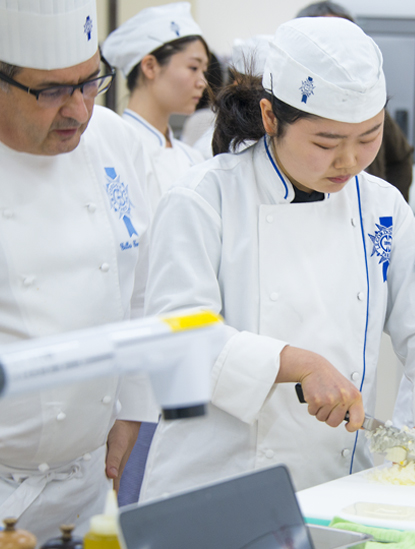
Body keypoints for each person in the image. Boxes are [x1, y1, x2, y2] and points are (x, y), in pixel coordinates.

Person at [137, 17, 415, 498]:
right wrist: (296, 363)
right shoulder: (203, 198)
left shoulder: (381, 207)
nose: (350, 162)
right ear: (271, 118)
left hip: (338, 482)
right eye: (326, 142)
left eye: (369, 136)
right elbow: (176, 344)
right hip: (218, 484)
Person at [0, 0, 158, 540]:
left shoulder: (113, 141)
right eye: (50, 91)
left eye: (90, 82)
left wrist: (132, 405)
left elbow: (141, 286)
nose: (79, 111)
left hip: (88, 480)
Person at [296, 1, 415, 201]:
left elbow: (401, 157)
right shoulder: (295, 103)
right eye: (325, 143)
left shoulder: (370, 106)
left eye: (365, 139)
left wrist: (389, 205)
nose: (348, 162)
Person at [102, 2, 208, 206]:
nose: (202, 82)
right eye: (193, 67)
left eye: (203, 70)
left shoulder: (193, 158)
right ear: (150, 67)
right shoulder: (115, 149)